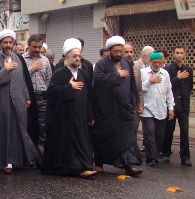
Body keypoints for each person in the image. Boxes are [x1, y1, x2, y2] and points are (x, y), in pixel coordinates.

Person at [0, 29, 38, 174]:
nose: (8, 45)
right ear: (0, 44)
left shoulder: (19, 58)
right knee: (5, 132)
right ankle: (6, 162)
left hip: (19, 100)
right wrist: (6, 69)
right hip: (2, 103)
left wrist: (27, 97)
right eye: (5, 42)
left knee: (19, 130)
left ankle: (20, 160)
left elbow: (25, 80)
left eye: (10, 42)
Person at [41, 38, 96, 178]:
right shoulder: (59, 73)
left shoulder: (84, 74)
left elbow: (89, 95)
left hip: (81, 116)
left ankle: (83, 166)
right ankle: (76, 169)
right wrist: (68, 87)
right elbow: (51, 93)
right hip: (64, 117)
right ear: (67, 57)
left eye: (79, 56)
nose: (78, 59)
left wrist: (90, 115)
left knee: (82, 141)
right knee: (68, 144)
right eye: (74, 56)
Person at [91, 35, 142, 176]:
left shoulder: (127, 63)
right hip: (107, 109)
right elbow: (97, 81)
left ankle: (129, 165)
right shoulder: (101, 64)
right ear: (109, 50)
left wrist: (133, 103)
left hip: (124, 108)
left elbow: (132, 85)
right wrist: (116, 75)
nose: (118, 54)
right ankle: (99, 162)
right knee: (105, 136)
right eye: (116, 51)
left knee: (127, 136)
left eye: (121, 51)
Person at [139, 52, 174, 168]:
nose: (157, 64)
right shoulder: (143, 72)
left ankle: (155, 153)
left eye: (159, 62)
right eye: (154, 62)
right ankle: (151, 158)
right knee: (149, 133)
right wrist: (150, 81)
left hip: (161, 109)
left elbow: (169, 92)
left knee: (159, 135)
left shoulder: (165, 74)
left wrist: (171, 108)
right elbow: (139, 89)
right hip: (147, 109)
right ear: (150, 62)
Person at [161, 45, 194, 166]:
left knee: (185, 131)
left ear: (184, 55)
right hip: (172, 104)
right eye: (177, 53)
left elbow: (190, 86)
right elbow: (166, 86)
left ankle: (185, 156)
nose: (179, 55)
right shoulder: (167, 70)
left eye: (181, 53)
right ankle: (165, 153)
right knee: (169, 130)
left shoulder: (188, 70)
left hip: (184, 104)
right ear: (173, 54)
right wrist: (177, 78)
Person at [23, 34, 52, 158]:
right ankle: (29, 156)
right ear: (29, 45)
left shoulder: (44, 60)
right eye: (34, 47)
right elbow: (20, 78)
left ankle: (41, 156)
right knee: (28, 127)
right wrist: (32, 68)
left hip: (42, 98)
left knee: (42, 128)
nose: (37, 50)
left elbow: (49, 80)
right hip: (27, 99)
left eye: (39, 47)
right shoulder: (21, 59)